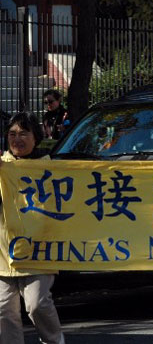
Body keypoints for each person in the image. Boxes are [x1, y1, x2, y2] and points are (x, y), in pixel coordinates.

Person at [1, 112, 65, 344]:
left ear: (35, 138)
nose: (17, 139)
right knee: (3, 311)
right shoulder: (2, 166)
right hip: (4, 253)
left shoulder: (50, 169)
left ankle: (54, 340)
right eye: (12, 134)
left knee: (37, 304)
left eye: (23, 134)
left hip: (39, 250)